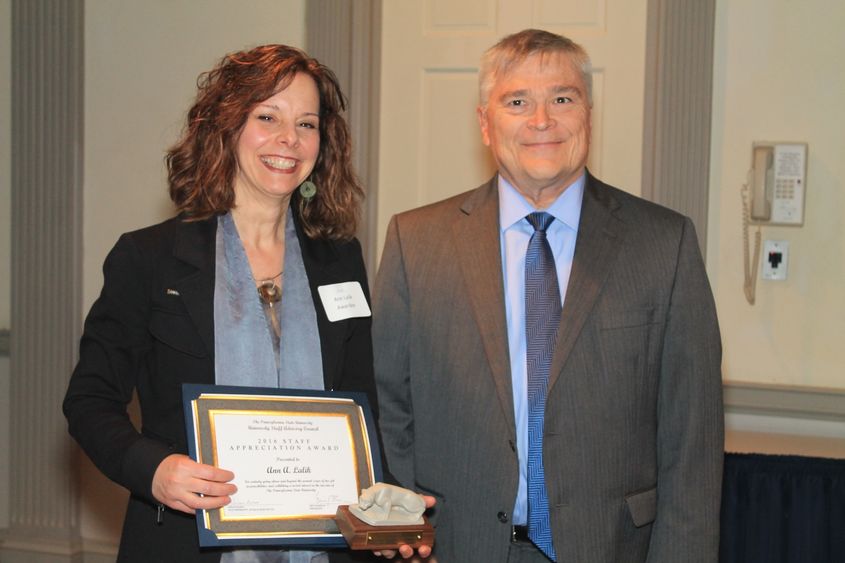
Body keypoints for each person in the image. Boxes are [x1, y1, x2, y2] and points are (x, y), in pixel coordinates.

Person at [63, 44, 428, 563]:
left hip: (326, 549)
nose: (289, 140)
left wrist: (388, 511)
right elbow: (89, 401)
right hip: (182, 542)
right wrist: (155, 470)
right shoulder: (149, 258)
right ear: (227, 126)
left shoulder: (340, 261)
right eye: (267, 117)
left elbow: (358, 408)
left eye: (307, 124)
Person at [373, 29, 724, 563]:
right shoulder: (415, 242)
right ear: (486, 124)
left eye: (562, 98)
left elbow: (692, 440)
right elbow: (391, 409)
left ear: (588, 113)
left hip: (610, 547)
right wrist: (400, 531)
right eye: (517, 102)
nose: (542, 121)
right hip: (454, 547)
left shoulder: (664, 244)